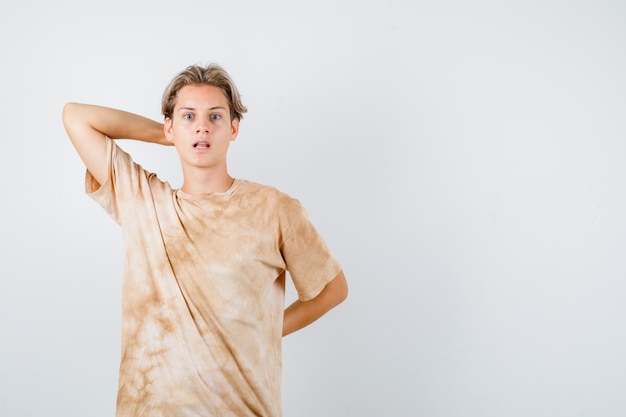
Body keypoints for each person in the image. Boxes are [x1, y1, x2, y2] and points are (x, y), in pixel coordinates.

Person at [62, 63, 348, 417]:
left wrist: (266, 329)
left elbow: (332, 289)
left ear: (233, 129)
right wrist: (166, 134)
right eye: (188, 117)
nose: (202, 126)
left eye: (215, 116)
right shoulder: (144, 202)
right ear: (170, 127)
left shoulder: (274, 209)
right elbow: (76, 117)